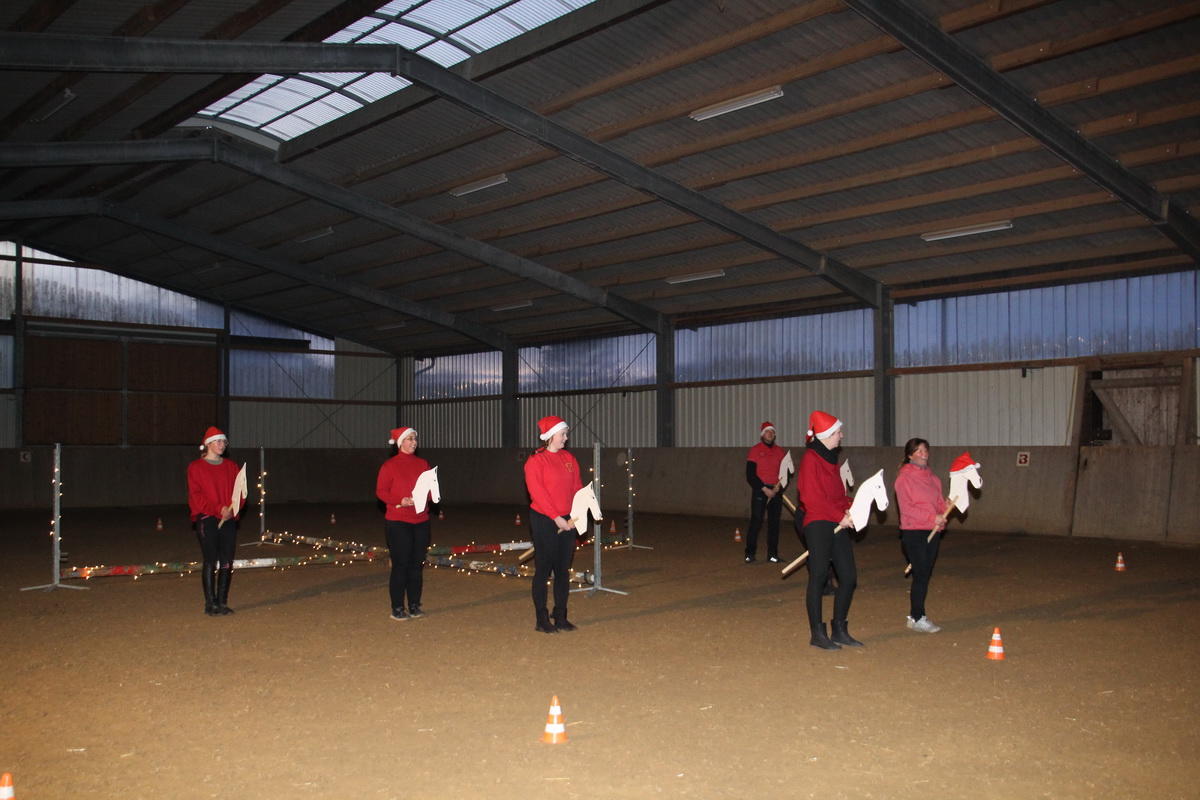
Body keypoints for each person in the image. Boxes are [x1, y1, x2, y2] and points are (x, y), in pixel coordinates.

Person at [796, 410, 861, 650]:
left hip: (835, 522)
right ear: (825, 435)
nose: (841, 435)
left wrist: (852, 507)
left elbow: (837, 495)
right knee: (819, 576)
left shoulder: (831, 459)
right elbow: (812, 498)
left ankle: (839, 629)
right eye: (837, 432)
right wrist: (839, 517)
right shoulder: (811, 459)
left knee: (848, 577)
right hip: (817, 523)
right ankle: (818, 633)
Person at [523, 415, 583, 634]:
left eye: (566, 434)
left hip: (567, 519)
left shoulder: (569, 458)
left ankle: (560, 615)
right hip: (544, 520)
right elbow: (537, 493)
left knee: (563, 570)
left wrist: (577, 512)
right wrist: (556, 518)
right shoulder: (536, 461)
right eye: (562, 434)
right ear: (550, 436)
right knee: (543, 569)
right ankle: (541, 618)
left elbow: (576, 487)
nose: (566, 438)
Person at [376, 426, 434, 621]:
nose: (414, 442)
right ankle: (398, 607)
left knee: (416, 565)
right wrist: (400, 500)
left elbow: (429, 489)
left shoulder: (423, 464)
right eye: (409, 439)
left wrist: (427, 496)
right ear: (400, 442)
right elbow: (381, 491)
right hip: (398, 522)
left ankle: (415, 605)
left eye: (415, 438)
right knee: (401, 565)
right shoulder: (389, 466)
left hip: (421, 521)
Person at [187, 426, 242, 616]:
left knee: (226, 561)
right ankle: (210, 603)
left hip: (228, 519)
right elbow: (197, 496)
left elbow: (240, 492)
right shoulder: (196, 468)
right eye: (218, 441)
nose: (222, 444)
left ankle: (222, 602)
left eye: (224, 441)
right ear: (208, 444)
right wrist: (218, 509)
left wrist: (233, 509)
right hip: (207, 518)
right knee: (210, 560)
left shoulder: (231, 467)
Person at [894, 437, 947, 634]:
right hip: (913, 531)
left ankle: (916, 616)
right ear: (910, 455)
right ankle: (917, 617)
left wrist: (945, 511)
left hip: (932, 531)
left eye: (925, 450)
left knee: (924, 573)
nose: (924, 454)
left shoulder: (934, 479)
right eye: (919, 451)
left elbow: (939, 504)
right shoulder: (904, 479)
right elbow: (907, 509)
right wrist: (932, 517)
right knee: (921, 574)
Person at [744, 421, 785, 564]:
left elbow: (784, 472)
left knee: (774, 523)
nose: (770, 434)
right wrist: (764, 489)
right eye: (768, 431)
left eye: (772, 432)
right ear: (762, 434)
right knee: (756, 521)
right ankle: (749, 554)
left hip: (776, 490)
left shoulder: (780, 452)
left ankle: (772, 555)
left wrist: (779, 486)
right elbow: (750, 475)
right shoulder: (755, 450)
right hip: (760, 490)